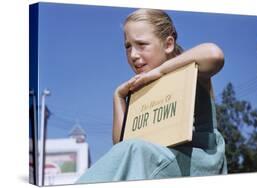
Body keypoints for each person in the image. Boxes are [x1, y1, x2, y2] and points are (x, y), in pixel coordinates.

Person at [77, 8, 227, 184]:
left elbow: (214, 54)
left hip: (196, 162)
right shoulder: (140, 88)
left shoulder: (189, 69)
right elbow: (120, 148)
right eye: (128, 47)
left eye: (142, 44)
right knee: (130, 151)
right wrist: (118, 96)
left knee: (134, 150)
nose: (133, 55)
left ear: (168, 44)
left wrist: (160, 71)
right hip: (157, 163)